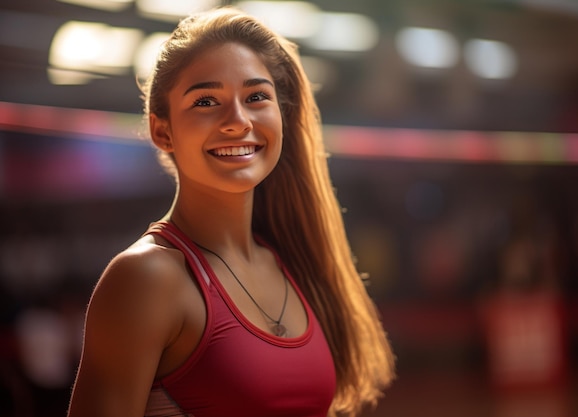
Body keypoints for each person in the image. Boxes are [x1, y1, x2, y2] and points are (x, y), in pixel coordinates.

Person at [67, 6, 395, 417]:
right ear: (162, 130)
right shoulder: (146, 279)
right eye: (206, 100)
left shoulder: (295, 261)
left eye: (257, 96)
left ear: (282, 115)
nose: (238, 121)